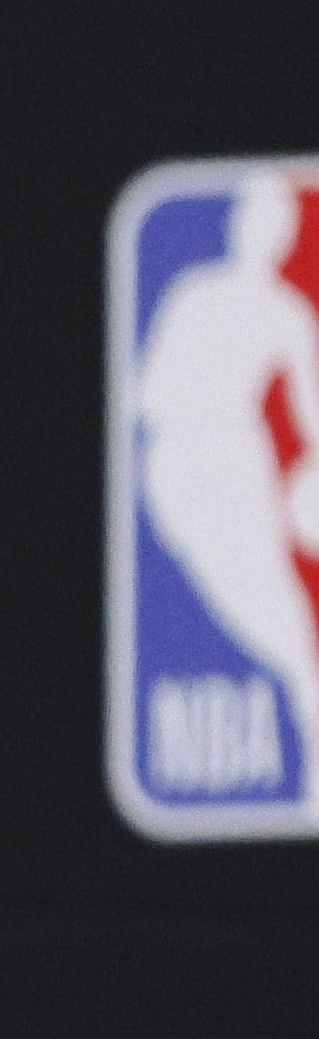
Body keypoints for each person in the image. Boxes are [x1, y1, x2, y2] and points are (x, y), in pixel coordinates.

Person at [137, 172, 319, 773]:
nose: (259, 231)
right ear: (237, 225)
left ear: (284, 237)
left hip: (232, 462)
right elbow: (145, 395)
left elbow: (312, 418)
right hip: (186, 465)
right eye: (251, 218)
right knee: (278, 624)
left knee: (290, 628)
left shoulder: (288, 315)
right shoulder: (195, 291)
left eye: (274, 224)